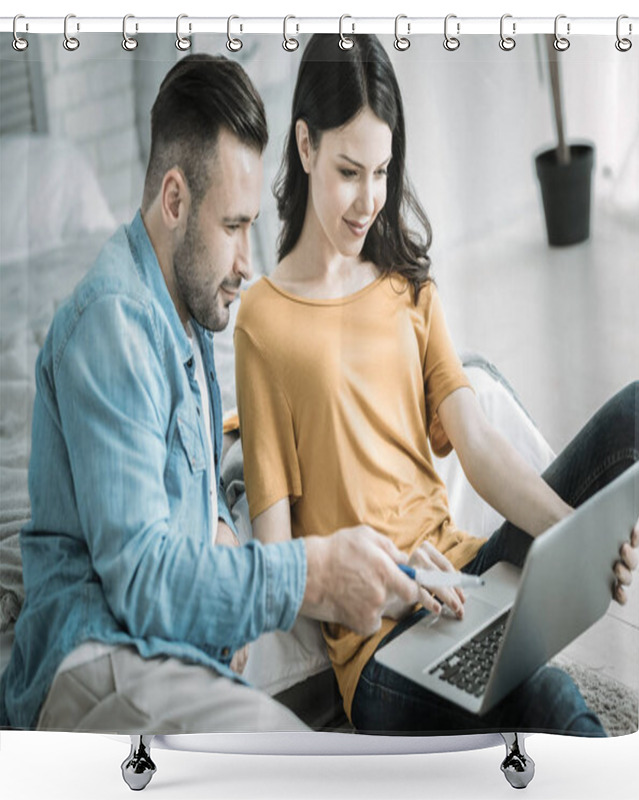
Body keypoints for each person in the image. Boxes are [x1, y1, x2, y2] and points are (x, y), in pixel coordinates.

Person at [0, 54, 435, 733]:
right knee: (292, 764)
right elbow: (143, 578)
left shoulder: (186, 310)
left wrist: (369, 563)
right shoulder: (115, 323)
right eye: (232, 227)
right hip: (96, 652)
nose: (247, 263)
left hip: (170, 648)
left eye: (250, 226)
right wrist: (309, 574)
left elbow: (192, 508)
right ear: (174, 200)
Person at [234, 34, 639, 736]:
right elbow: (277, 561)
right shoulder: (263, 322)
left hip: (466, 580)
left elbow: (476, 441)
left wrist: (571, 537)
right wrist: (391, 581)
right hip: (382, 649)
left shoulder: (405, 282)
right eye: (349, 171)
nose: (369, 201)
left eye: (384, 171)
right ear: (304, 148)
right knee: (547, 699)